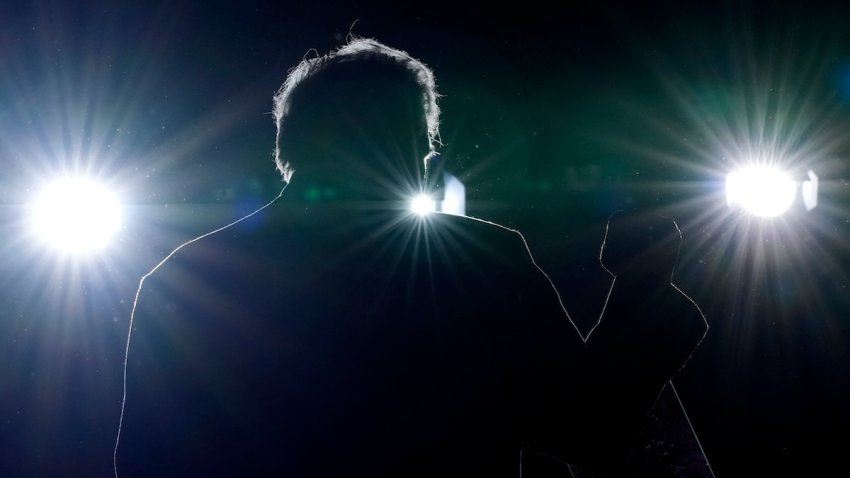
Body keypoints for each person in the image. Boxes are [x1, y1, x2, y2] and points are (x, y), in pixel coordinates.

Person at [119, 38, 587, 477]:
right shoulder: (486, 261)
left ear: (294, 145)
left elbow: (146, 462)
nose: (423, 168)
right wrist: (638, 293)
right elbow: (591, 432)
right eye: (416, 150)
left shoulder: (188, 276)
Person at [581, 211, 709, 475]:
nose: (605, 247)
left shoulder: (671, 311)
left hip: (636, 440)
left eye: (613, 240)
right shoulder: (632, 297)